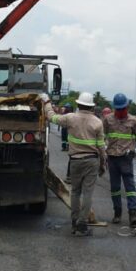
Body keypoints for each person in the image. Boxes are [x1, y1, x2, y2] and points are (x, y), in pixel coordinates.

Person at [42, 91, 105, 236]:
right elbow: (101, 147)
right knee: (88, 193)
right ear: (91, 107)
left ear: (78, 104)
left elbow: (51, 117)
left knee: (75, 192)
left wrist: (47, 103)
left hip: (75, 161)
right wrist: (103, 164)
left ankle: (74, 222)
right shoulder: (97, 122)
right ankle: (82, 224)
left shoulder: (70, 118)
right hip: (92, 161)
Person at [103, 92, 136, 227]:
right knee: (115, 188)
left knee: (130, 187)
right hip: (112, 157)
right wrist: (101, 152)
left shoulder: (133, 121)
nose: (120, 112)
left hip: (126, 158)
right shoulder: (108, 120)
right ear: (114, 108)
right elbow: (102, 136)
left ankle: (133, 214)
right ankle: (117, 213)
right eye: (118, 109)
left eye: (122, 109)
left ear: (127, 107)